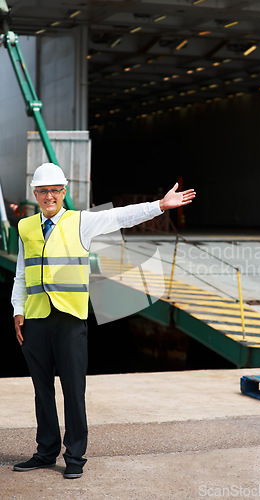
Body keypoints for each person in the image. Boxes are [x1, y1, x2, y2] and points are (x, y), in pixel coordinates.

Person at [11, 162, 196, 479]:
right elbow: (20, 275)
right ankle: (45, 451)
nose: (49, 196)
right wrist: (17, 309)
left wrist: (160, 206)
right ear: (36, 194)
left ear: (64, 192)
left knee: (73, 389)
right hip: (36, 320)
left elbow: (123, 215)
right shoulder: (26, 228)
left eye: (55, 190)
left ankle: (74, 457)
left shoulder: (81, 222)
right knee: (42, 391)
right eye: (43, 191)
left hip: (70, 321)